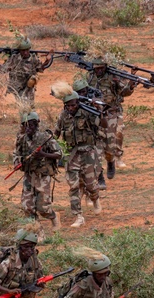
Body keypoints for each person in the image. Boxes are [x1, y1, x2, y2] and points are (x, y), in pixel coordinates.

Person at [52, 81, 104, 228]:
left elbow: (102, 124)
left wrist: (98, 109)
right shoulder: (63, 116)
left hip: (88, 153)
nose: (71, 108)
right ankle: (78, 216)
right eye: (68, 106)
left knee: (90, 184)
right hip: (72, 154)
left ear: (78, 103)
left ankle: (95, 198)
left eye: (74, 105)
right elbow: (56, 133)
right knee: (73, 186)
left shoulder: (87, 113)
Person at [13, 111, 62, 234]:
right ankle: (38, 232)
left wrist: (43, 154)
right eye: (25, 125)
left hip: (42, 176)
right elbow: (16, 154)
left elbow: (59, 154)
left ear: (36, 125)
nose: (28, 128)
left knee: (43, 207)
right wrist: (17, 162)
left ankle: (54, 216)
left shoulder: (45, 138)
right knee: (27, 207)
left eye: (31, 125)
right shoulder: (21, 139)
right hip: (29, 175)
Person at [86, 58, 134, 178]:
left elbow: (125, 92)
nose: (100, 71)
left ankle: (111, 160)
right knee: (97, 143)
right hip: (96, 113)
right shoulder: (90, 77)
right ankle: (100, 173)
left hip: (112, 113)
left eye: (102, 68)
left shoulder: (113, 77)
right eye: (97, 68)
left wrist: (131, 82)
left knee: (112, 141)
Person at [0, 37, 52, 103]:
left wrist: (47, 60)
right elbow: (2, 70)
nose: (25, 53)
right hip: (17, 89)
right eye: (23, 51)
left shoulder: (33, 58)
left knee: (29, 108)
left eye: (27, 50)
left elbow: (40, 68)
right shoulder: (14, 58)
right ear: (19, 50)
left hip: (29, 88)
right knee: (22, 107)